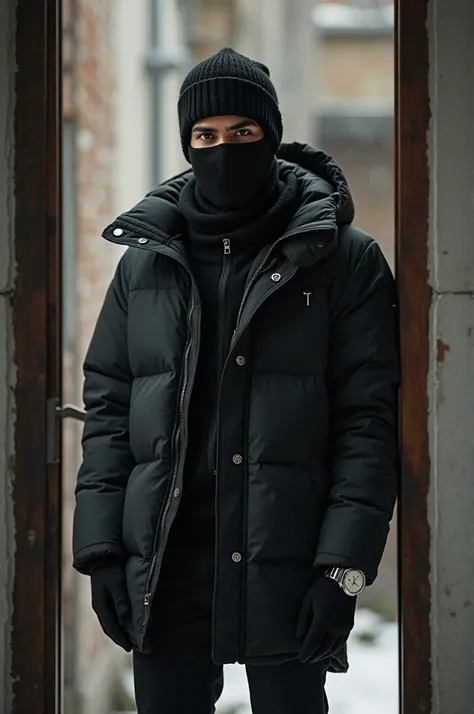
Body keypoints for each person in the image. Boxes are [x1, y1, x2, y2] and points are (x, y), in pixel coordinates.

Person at [72, 47, 399, 714]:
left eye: (243, 133)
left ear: (272, 135)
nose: (224, 150)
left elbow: (368, 421)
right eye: (205, 136)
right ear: (187, 144)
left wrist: (341, 569)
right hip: (168, 568)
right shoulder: (146, 265)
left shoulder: (343, 258)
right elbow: (109, 410)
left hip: (288, 558)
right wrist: (102, 548)